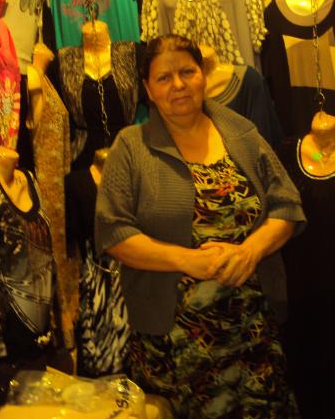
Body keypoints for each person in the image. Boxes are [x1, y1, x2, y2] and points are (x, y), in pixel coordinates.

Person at [94, 34, 306, 417]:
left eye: (187, 72)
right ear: (148, 89)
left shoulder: (241, 133)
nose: (178, 84)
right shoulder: (131, 147)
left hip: (254, 333)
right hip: (176, 345)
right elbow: (113, 233)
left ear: (203, 76)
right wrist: (186, 260)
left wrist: (251, 251)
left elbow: (287, 206)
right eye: (164, 77)